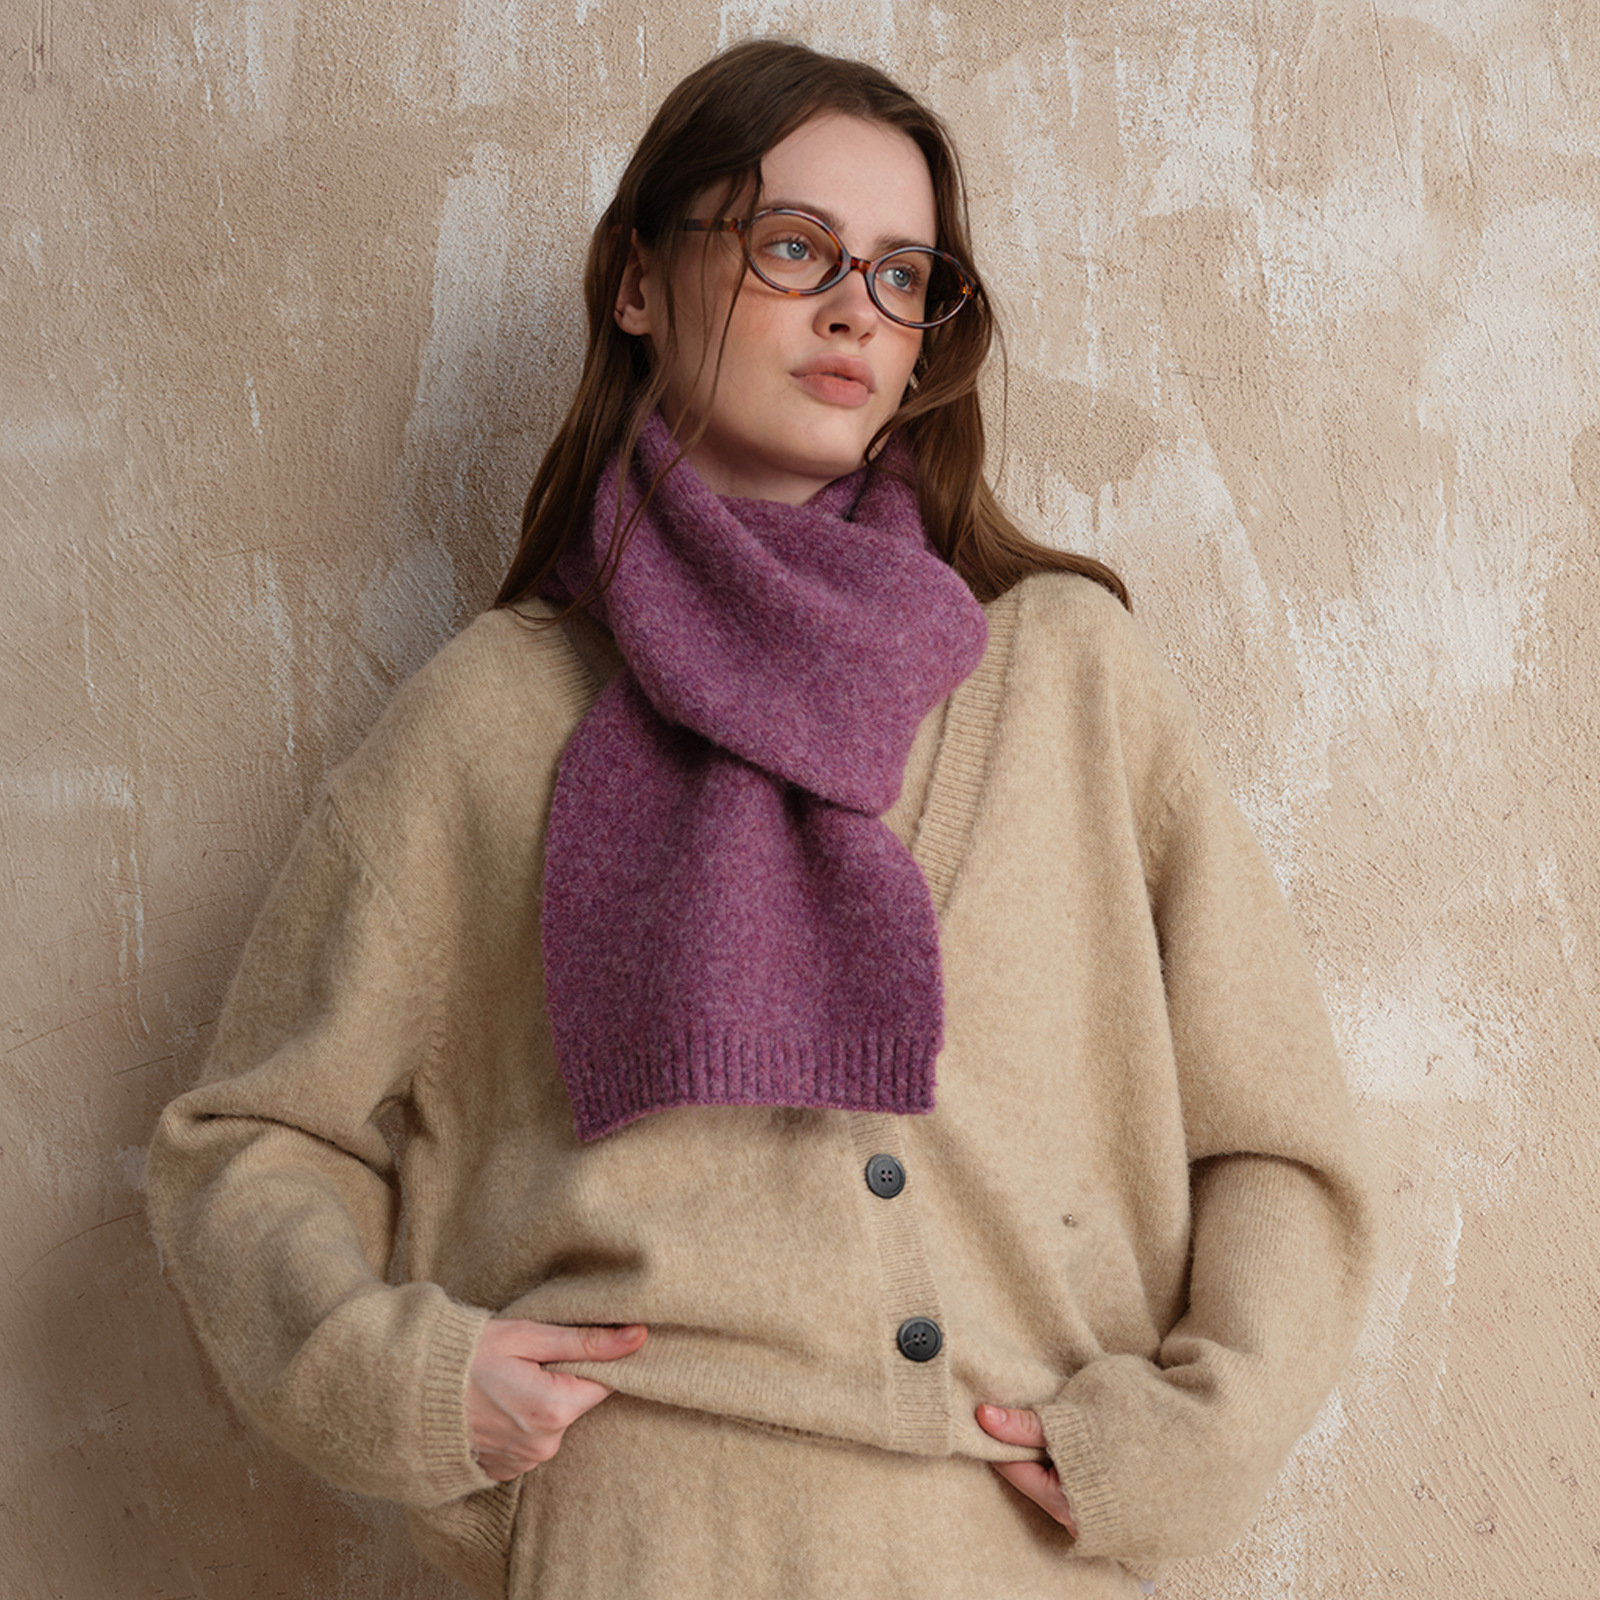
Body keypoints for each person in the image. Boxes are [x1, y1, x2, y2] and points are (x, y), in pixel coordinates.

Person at [147, 39, 1375, 1600]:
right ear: (638, 281)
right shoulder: (493, 716)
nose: (856, 308)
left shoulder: (1071, 682)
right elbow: (250, 1142)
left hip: (1007, 1555)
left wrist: (1192, 1440)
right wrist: (408, 1387)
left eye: (903, 274)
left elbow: (1280, 1143)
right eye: (793, 247)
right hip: (635, 1545)